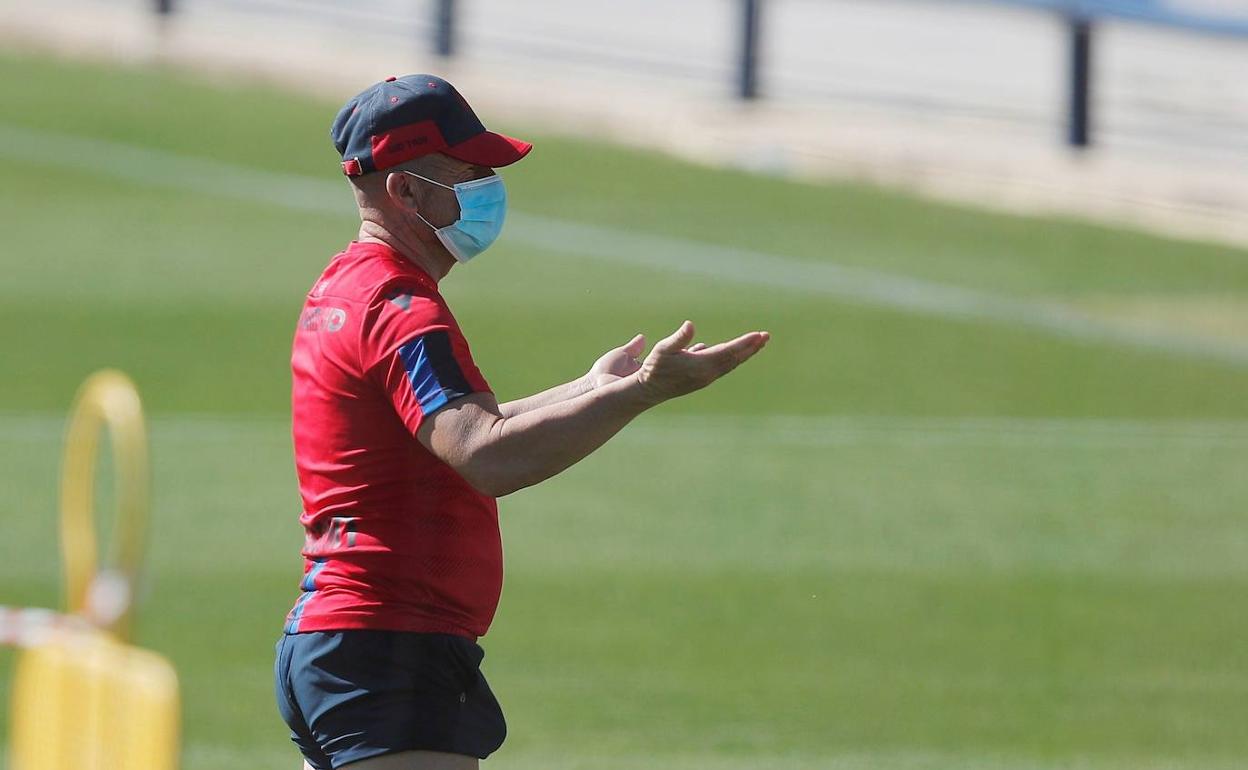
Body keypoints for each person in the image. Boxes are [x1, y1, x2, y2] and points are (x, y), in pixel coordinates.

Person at [273, 74, 770, 770]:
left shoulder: (346, 288)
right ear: (406, 193)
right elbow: (486, 454)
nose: (488, 185)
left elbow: (456, 429)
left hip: (345, 648)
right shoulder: (401, 311)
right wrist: (640, 395)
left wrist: (591, 387)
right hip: (389, 655)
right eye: (469, 171)